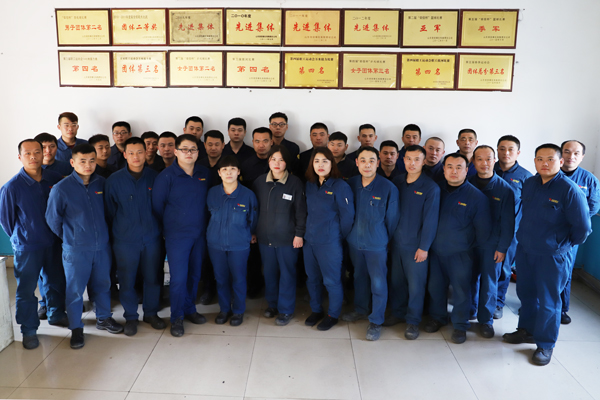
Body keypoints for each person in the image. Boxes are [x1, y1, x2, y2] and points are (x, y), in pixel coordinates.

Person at [503, 144, 591, 366]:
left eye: (550, 159)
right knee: (526, 294)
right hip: (526, 250)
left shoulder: (569, 190)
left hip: (552, 256)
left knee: (548, 300)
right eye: (540, 159)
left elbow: (583, 228)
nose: (544, 163)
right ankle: (526, 330)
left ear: (560, 162)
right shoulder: (530, 183)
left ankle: (545, 344)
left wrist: (561, 245)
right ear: (534, 161)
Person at [46, 143, 124, 349]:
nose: (88, 165)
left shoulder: (102, 183)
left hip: (102, 247)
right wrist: (71, 237)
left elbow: (110, 213)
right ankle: (76, 328)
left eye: (92, 160)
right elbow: (52, 219)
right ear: (72, 162)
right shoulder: (61, 189)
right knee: (75, 291)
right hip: (76, 249)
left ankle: (103, 318)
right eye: (82, 161)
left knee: (103, 285)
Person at [0, 139, 68, 349]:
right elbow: (6, 221)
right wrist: (22, 237)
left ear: (43, 154)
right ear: (20, 157)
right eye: (27, 153)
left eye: (37, 152)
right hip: (28, 246)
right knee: (26, 289)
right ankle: (29, 329)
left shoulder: (53, 179)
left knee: (55, 281)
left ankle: (56, 313)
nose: (33, 156)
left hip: (53, 242)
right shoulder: (12, 187)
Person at [426, 153, 491, 344]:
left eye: (458, 167)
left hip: (461, 254)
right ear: (444, 169)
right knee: (435, 288)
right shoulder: (436, 190)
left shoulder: (476, 197)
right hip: (436, 251)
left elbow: (483, 231)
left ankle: (460, 325)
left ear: (466, 170)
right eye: (450, 167)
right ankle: (438, 317)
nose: (454, 171)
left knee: (462, 291)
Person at [104, 137, 166, 336]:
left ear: (146, 153)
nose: (136, 156)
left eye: (140, 152)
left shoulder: (156, 178)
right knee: (127, 280)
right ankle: (131, 316)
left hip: (152, 238)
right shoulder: (114, 181)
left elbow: (163, 207)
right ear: (124, 155)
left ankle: (151, 313)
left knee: (153, 277)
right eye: (131, 153)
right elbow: (109, 212)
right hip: (125, 240)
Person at [152, 134, 211, 337]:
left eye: (192, 149)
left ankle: (189, 309)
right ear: (176, 152)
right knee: (178, 278)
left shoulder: (204, 173)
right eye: (184, 149)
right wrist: (170, 228)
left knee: (195, 274)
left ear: (198, 152)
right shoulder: (166, 177)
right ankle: (176, 317)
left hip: (199, 234)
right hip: (177, 237)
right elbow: (157, 207)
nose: (189, 153)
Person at [341, 147, 399, 341]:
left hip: (376, 244)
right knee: (359, 277)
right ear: (357, 163)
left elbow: (392, 220)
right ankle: (360, 309)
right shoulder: (350, 184)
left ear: (378, 163)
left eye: (371, 160)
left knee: (378, 282)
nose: (367, 165)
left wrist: (385, 240)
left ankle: (376, 320)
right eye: (363, 160)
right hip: (354, 242)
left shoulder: (388, 188)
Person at [386, 145, 440, 340]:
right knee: (397, 281)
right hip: (396, 243)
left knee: (416, 286)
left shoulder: (431, 187)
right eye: (408, 158)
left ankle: (413, 320)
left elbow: (430, 220)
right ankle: (398, 313)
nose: (412, 163)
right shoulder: (398, 181)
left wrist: (424, 247)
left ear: (424, 162)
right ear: (403, 159)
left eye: (417, 159)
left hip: (417, 246)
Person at [253, 145, 306, 326]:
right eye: (273, 159)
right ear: (268, 161)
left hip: (287, 239)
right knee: (269, 274)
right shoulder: (259, 182)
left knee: (287, 274)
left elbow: (301, 211)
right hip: (265, 238)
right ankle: (272, 305)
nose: (277, 163)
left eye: (281, 160)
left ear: (287, 163)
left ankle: (286, 310)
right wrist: (253, 231)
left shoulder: (295, 183)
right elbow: (254, 209)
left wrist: (299, 234)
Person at [303, 147, 355, 331]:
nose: (320, 165)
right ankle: (316, 310)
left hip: (330, 242)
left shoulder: (340, 186)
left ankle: (333, 315)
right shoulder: (309, 184)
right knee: (312, 279)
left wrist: (336, 235)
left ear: (331, 164)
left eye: (325, 161)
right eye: (317, 161)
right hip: (309, 241)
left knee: (332, 281)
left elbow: (347, 217)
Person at [469, 146, 515, 339]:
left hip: (492, 245)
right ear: (473, 162)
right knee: (468, 279)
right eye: (479, 159)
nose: (484, 163)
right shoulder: (467, 183)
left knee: (489, 283)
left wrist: (502, 248)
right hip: (468, 243)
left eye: (488, 158)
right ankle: (469, 310)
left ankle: (486, 320)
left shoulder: (504, 189)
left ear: (494, 160)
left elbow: (508, 223)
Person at [207, 156, 258, 326]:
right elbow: (207, 215)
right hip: (216, 244)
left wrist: (250, 234)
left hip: (239, 244)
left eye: (232, 169)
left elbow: (253, 218)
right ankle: (224, 309)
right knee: (221, 278)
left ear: (238, 172)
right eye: (225, 170)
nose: (229, 173)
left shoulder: (248, 195)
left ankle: (238, 310)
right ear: (219, 173)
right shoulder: (212, 193)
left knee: (239, 278)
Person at [558, 140, 600, 324]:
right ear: (561, 153)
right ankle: (536, 305)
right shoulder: (549, 173)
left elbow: (593, 207)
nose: (571, 156)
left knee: (565, 273)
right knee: (540, 272)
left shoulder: (589, 179)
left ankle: (561, 309)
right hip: (546, 233)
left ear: (582, 157)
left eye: (576, 153)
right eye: (567, 151)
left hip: (570, 236)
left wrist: (575, 224)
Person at [493, 135, 532, 319]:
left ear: (518, 152)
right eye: (502, 148)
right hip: (485, 230)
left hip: (510, 233)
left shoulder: (526, 177)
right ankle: (478, 301)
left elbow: (529, 207)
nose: (506, 153)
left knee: (503, 269)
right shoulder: (487, 169)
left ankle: (498, 303)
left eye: (510, 149)